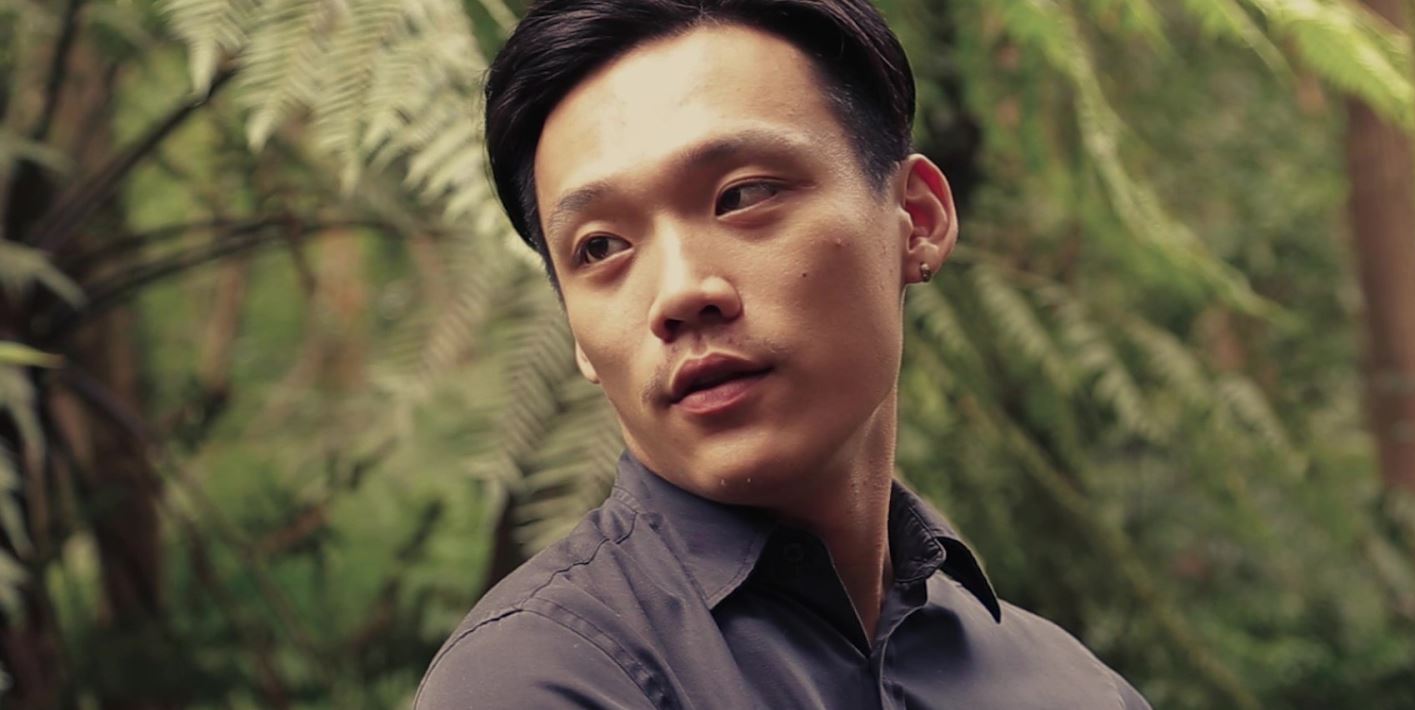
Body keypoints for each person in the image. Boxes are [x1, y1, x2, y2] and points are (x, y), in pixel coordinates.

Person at [415, 0, 1151, 707]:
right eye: (601, 247)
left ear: (917, 219)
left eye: (743, 196)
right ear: (576, 331)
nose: (680, 292)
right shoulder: (534, 681)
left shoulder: (1078, 692)